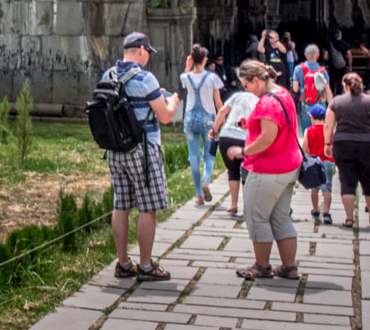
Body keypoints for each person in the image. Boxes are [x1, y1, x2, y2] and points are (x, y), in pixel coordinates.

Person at [102, 32, 178, 281]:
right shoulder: (146, 78)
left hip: (115, 149)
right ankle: (146, 266)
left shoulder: (108, 75)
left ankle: (123, 263)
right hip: (142, 151)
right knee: (148, 207)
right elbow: (165, 117)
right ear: (142, 50)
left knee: (120, 204)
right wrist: (173, 102)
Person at [235, 59, 301, 280]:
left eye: (246, 85)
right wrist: (250, 124)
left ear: (256, 80)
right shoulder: (282, 93)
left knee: (256, 216)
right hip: (289, 166)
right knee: (281, 217)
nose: (246, 90)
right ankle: (289, 267)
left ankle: (261, 266)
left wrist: (243, 151)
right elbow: (275, 125)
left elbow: (267, 137)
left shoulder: (267, 102)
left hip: (268, 169)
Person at [324, 72, 370, 229]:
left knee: (347, 182)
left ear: (344, 86)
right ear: (362, 85)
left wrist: (327, 143)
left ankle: (349, 219)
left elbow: (328, 125)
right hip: (369, 146)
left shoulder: (336, 102)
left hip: (343, 145)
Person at [180, 45, 224, 205]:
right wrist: (222, 120)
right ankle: (206, 181)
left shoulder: (186, 77)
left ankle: (198, 194)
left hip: (191, 117)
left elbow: (184, 77)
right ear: (205, 60)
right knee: (209, 154)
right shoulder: (212, 78)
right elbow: (219, 103)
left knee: (193, 156)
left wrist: (188, 65)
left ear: (192, 59)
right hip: (208, 118)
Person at [211, 76, 257, 219]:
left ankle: (233, 204)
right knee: (246, 173)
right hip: (245, 138)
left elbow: (222, 111)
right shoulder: (258, 100)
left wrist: (214, 130)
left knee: (232, 170)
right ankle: (246, 207)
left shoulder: (236, 96)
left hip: (226, 136)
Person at [303, 111, 334, 225]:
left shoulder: (309, 131)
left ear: (312, 117)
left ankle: (315, 210)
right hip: (329, 162)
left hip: (315, 163)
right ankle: (326, 213)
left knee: (314, 188)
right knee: (327, 189)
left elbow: (304, 150)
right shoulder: (330, 132)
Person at [295, 44, 332, 132]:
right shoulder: (322, 70)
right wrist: (331, 107)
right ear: (318, 56)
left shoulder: (298, 69)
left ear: (305, 55)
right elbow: (328, 91)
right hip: (320, 103)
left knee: (307, 131)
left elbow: (295, 88)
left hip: (305, 103)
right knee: (319, 131)